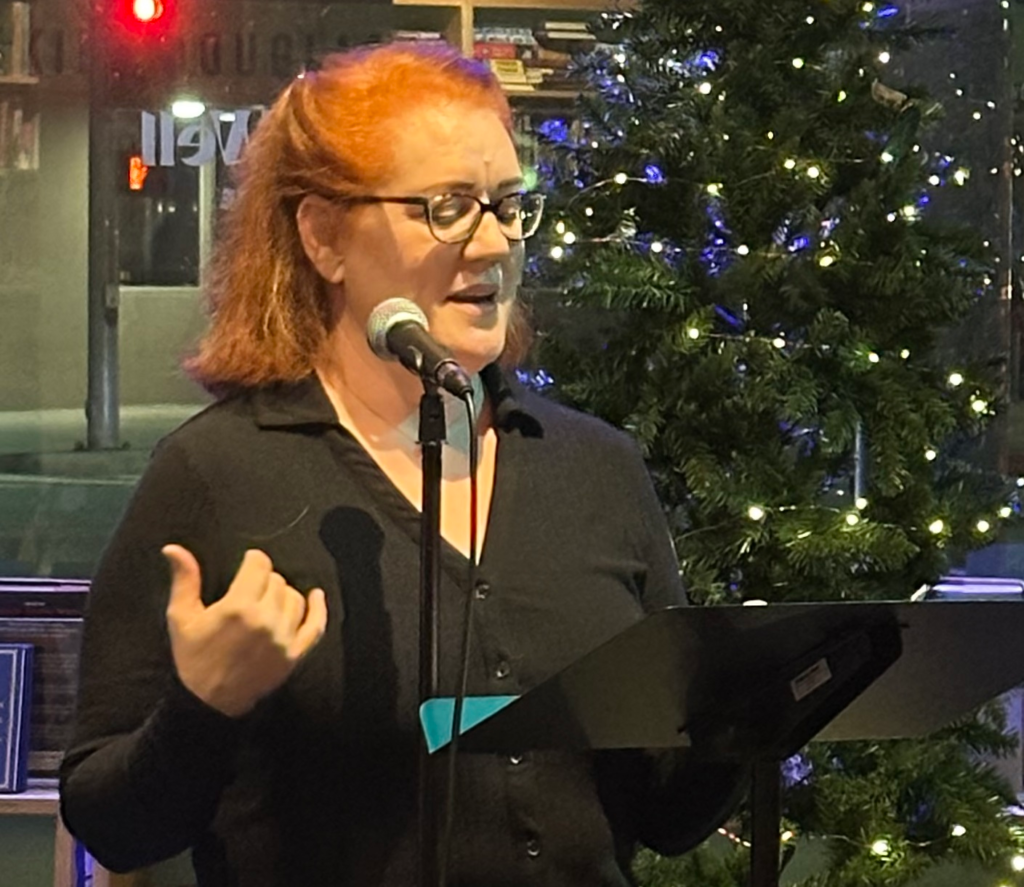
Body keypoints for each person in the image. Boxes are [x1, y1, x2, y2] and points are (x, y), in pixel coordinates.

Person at [59, 41, 746, 887]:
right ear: (323, 236)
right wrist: (204, 709)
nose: (493, 244)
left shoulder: (597, 468)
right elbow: (111, 823)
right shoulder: (216, 474)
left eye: (509, 205)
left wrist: (744, 718)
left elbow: (667, 816)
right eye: (447, 208)